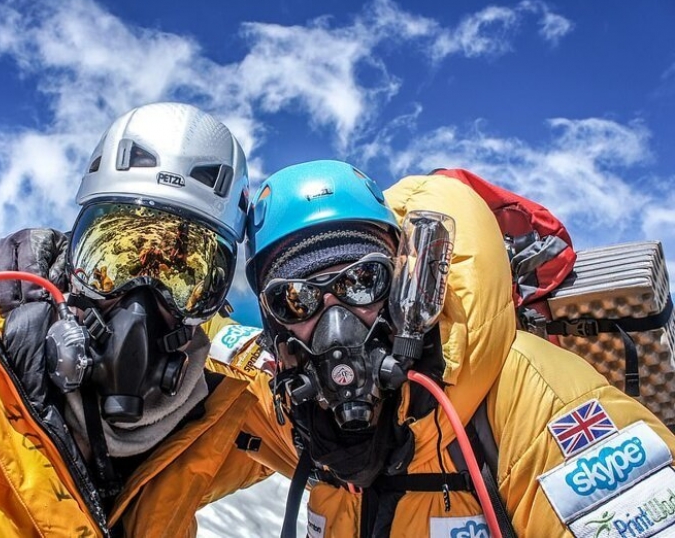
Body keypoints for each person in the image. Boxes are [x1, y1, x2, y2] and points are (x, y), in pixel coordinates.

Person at [0, 102, 296, 537]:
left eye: (186, 277)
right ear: (68, 258)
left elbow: (341, 458)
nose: (139, 304)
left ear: (213, 303)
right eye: (112, 259)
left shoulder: (208, 423)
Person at [242, 160, 675, 537]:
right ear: (276, 325)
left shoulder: (539, 402)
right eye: (296, 299)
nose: (336, 326)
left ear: (402, 284)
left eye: (361, 281)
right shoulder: (299, 421)